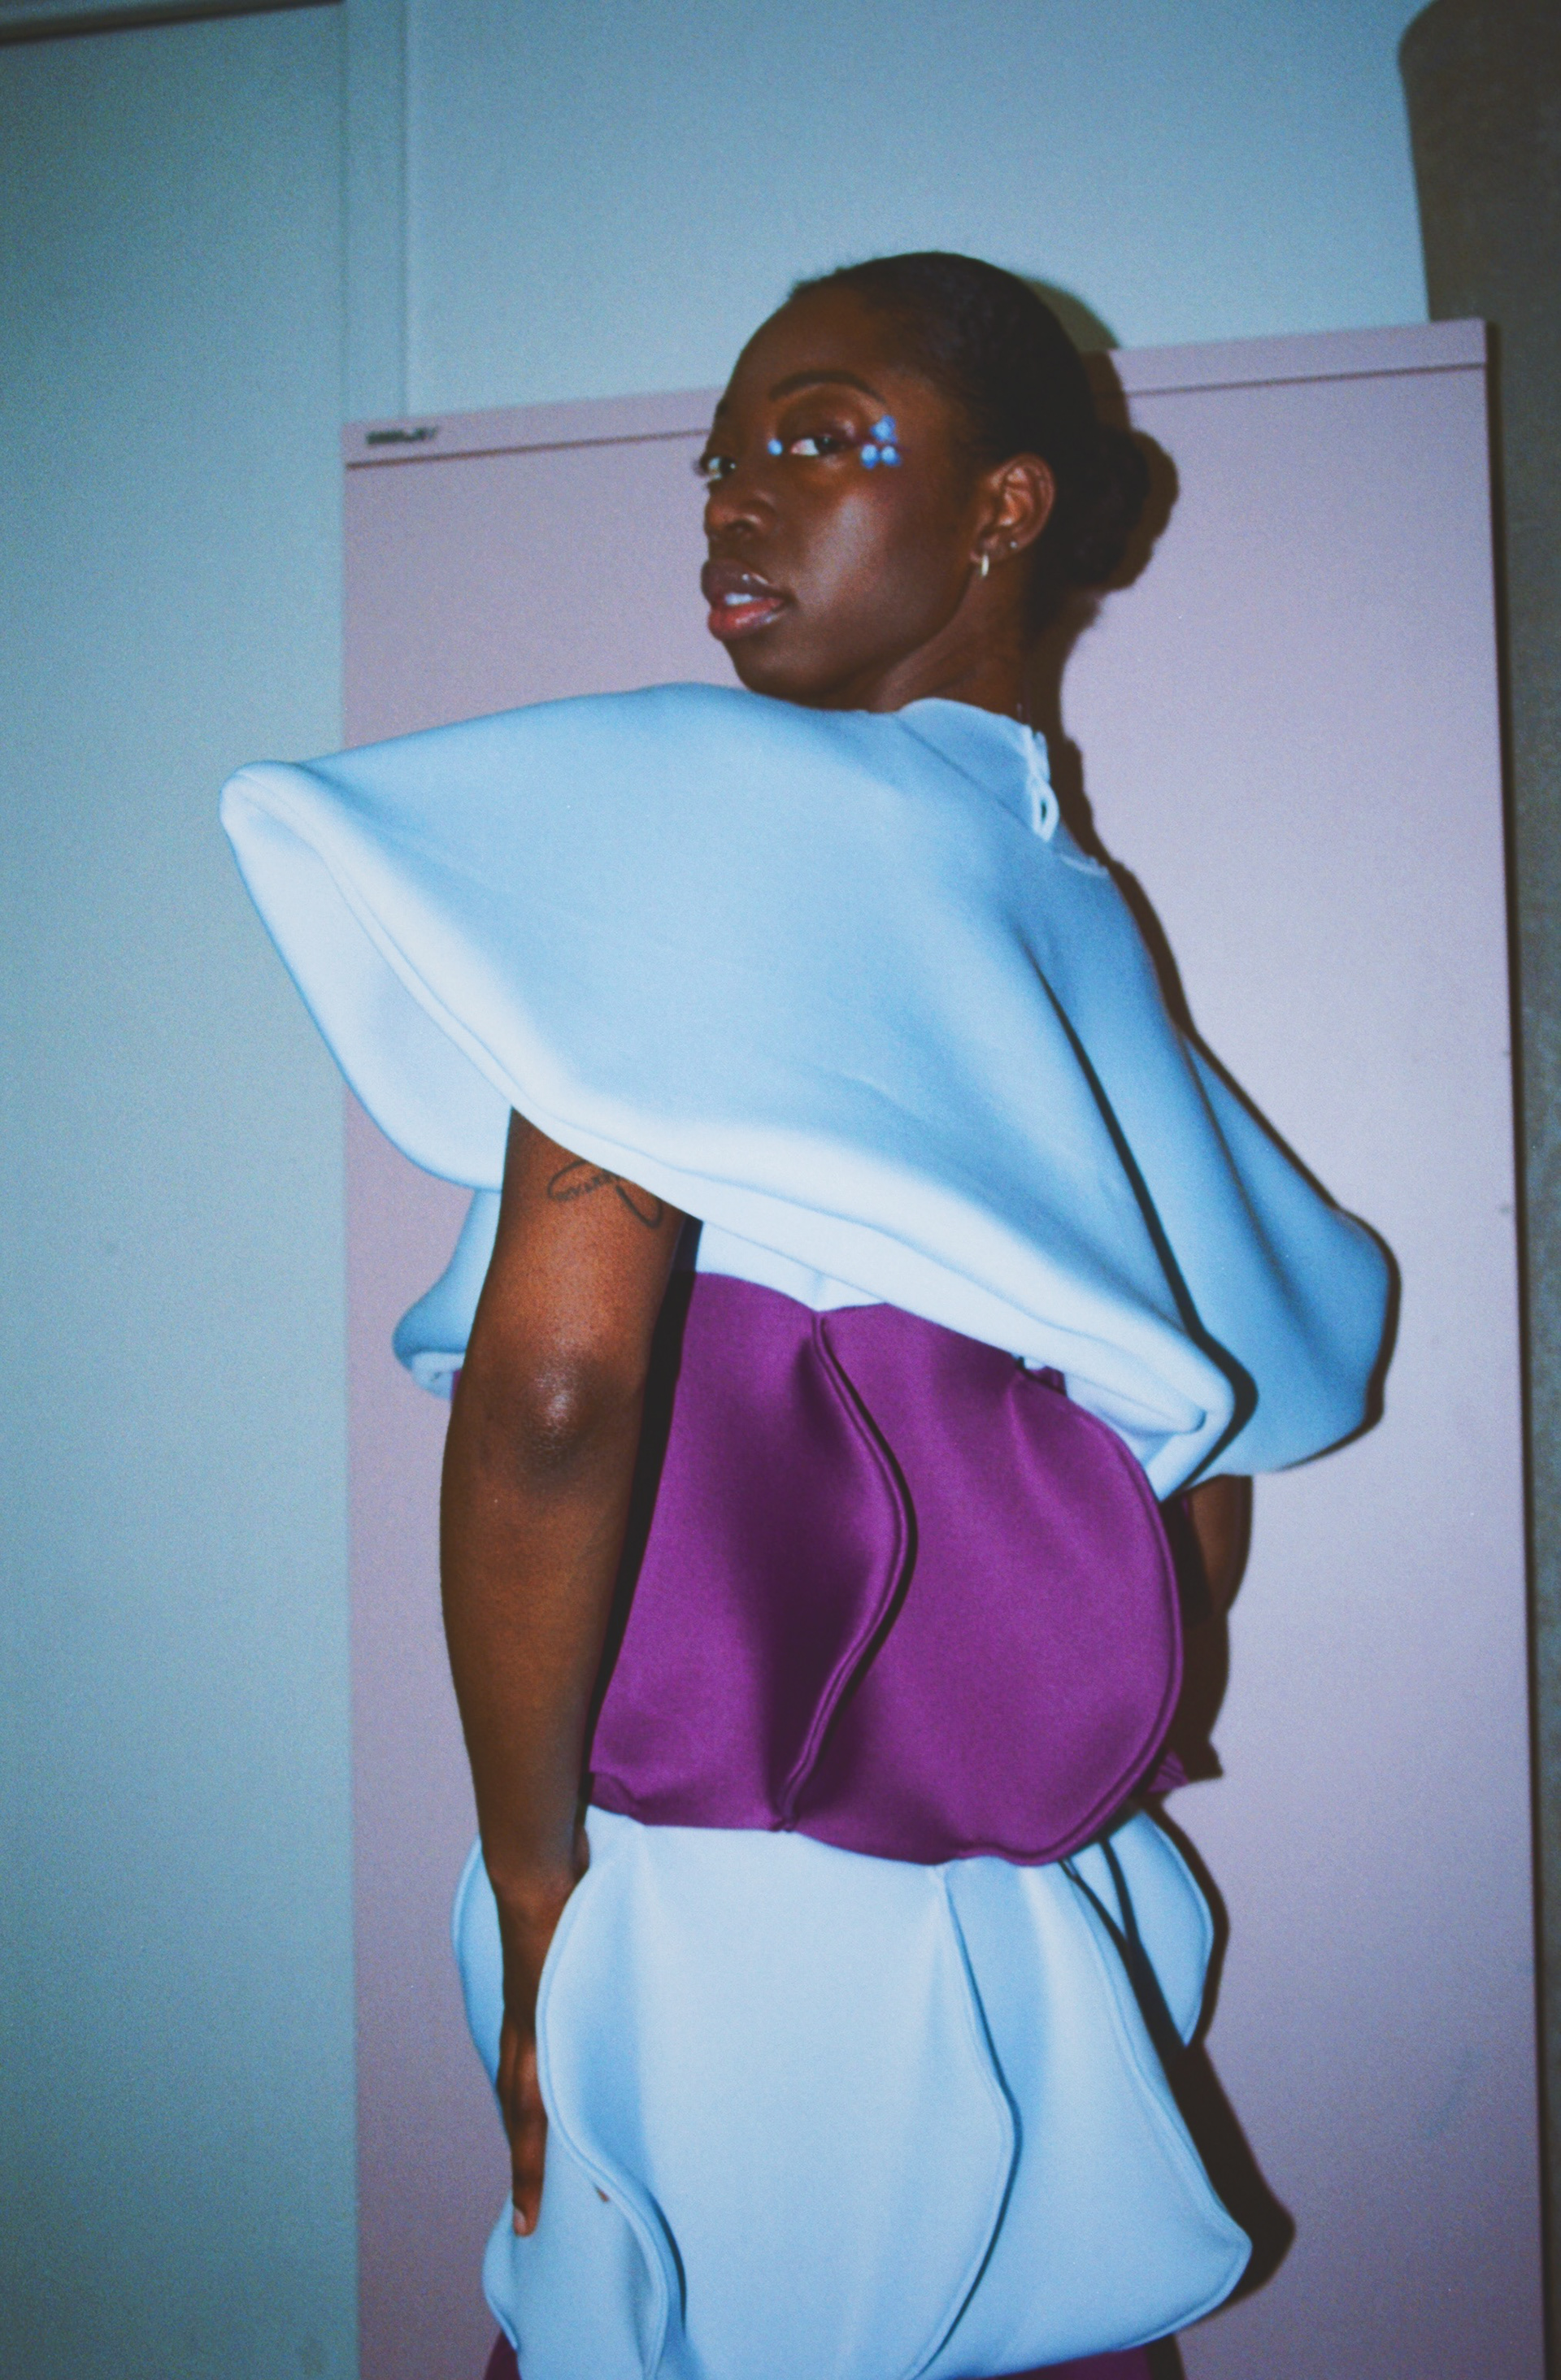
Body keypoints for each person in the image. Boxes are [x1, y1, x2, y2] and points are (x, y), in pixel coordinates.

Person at [222, 253, 1389, 2380]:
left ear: (1008, 505)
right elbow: (1209, 1476)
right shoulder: (1069, 906)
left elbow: (558, 1387)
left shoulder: (700, 811)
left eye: (819, 437)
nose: (731, 503)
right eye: (716, 462)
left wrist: (538, 1877)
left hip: (723, 1898)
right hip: (1027, 1901)